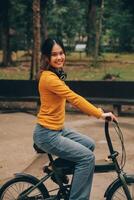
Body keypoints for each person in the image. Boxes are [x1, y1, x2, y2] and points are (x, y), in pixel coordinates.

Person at [33, 38, 117, 200]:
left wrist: (97, 110)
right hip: (47, 134)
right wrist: (99, 114)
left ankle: (55, 169)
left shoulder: (54, 75)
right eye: (54, 55)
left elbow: (71, 99)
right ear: (46, 58)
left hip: (57, 129)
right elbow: (74, 98)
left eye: (61, 53)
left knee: (88, 145)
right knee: (87, 158)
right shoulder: (49, 78)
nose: (59, 57)